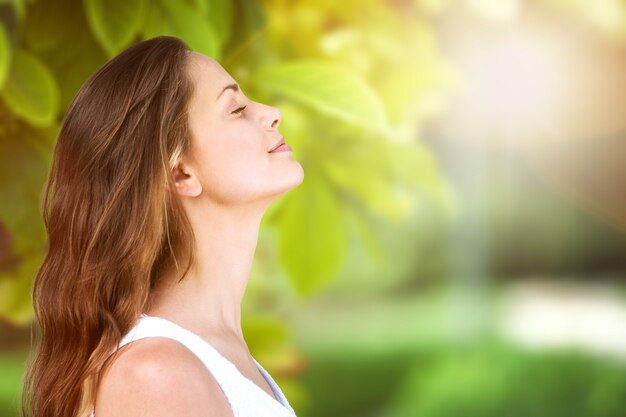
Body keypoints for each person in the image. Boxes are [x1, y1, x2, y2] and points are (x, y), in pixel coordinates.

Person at [21, 36, 304, 417]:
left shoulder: (206, 357)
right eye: (236, 108)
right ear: (181, 173)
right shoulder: (155, 375)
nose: (272, 112)